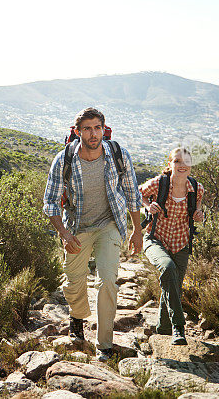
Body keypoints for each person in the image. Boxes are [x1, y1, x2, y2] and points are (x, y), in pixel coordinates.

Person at [43, 107, 142, 361]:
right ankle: (77, 317)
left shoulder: (118, 154)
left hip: (110, 224)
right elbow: (51, 202)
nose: (93, 133)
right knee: (74, 282)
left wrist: (137, 231)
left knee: (107, 281)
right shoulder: (64, 159)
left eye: (97, 127)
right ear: (78, 133)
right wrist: (64, 234)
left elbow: (132, 194)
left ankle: (105, 345)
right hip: (77, 228)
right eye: (87, 128)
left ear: (104, 130)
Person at [139, 147, 204, 345]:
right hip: (155, 238)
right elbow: (135, 193)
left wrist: (200, 215)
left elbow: (199, 209)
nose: (181, 165)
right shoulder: (160, 183)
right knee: (167, 268)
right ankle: (179, 326)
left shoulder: (197, 188)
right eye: (177, 161)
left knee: (173, 284)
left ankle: (164, 330)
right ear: (170, 164)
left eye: (185, 162)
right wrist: (147, 206)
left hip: (182, 243)